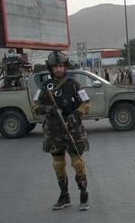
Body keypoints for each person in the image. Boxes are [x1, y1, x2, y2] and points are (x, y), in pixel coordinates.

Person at [31, 51, 91, 211]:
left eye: (60, 66)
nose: (58, 69)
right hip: (54, 131)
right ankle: (64, 195)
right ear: (50, 69)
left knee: (77, 163)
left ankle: (83, 193)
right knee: (58, 164)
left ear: (65, 66)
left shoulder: (73, 84)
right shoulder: (45, 86)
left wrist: (75, 114)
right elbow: (35, 107)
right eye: (55, 67)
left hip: (73, 129)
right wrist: (47, 108)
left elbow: (86, 104)